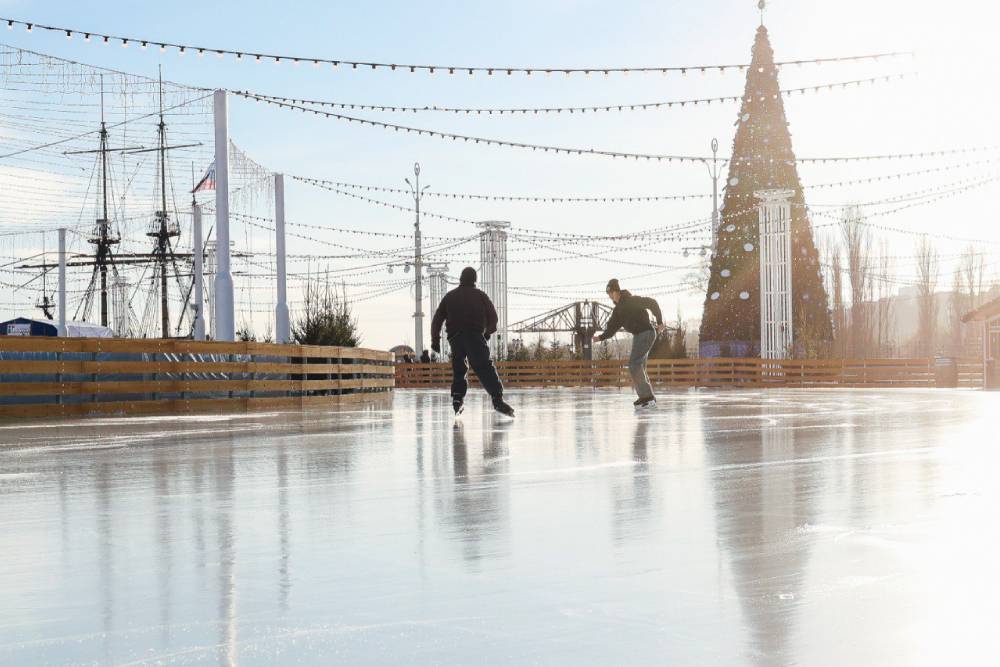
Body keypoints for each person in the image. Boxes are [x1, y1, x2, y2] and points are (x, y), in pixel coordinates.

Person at [431, 266, 515, 417]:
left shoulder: (450, 296)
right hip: (474, 336)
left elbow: (437, 319)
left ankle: (457, 398)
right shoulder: (480, 296)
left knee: (459, 369)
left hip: (455, 338)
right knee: (484, 367)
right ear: (474, 279)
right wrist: (487, 332)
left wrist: (435, 340)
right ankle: (497, 399)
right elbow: (494, 318)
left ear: (461, 279)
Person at [593, 278, 666, 409]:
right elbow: (611, 329)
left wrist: (659, 321)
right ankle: (646, 396)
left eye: (610, 293)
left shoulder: (632, 300)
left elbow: (652, 303)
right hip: (639, 336)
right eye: (608, 294)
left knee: (633, 364)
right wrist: (600, 338)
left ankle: (648, 397)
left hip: (646, 333)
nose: (609, 297)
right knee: (639, 366)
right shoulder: (618, 311)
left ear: (616, 292)